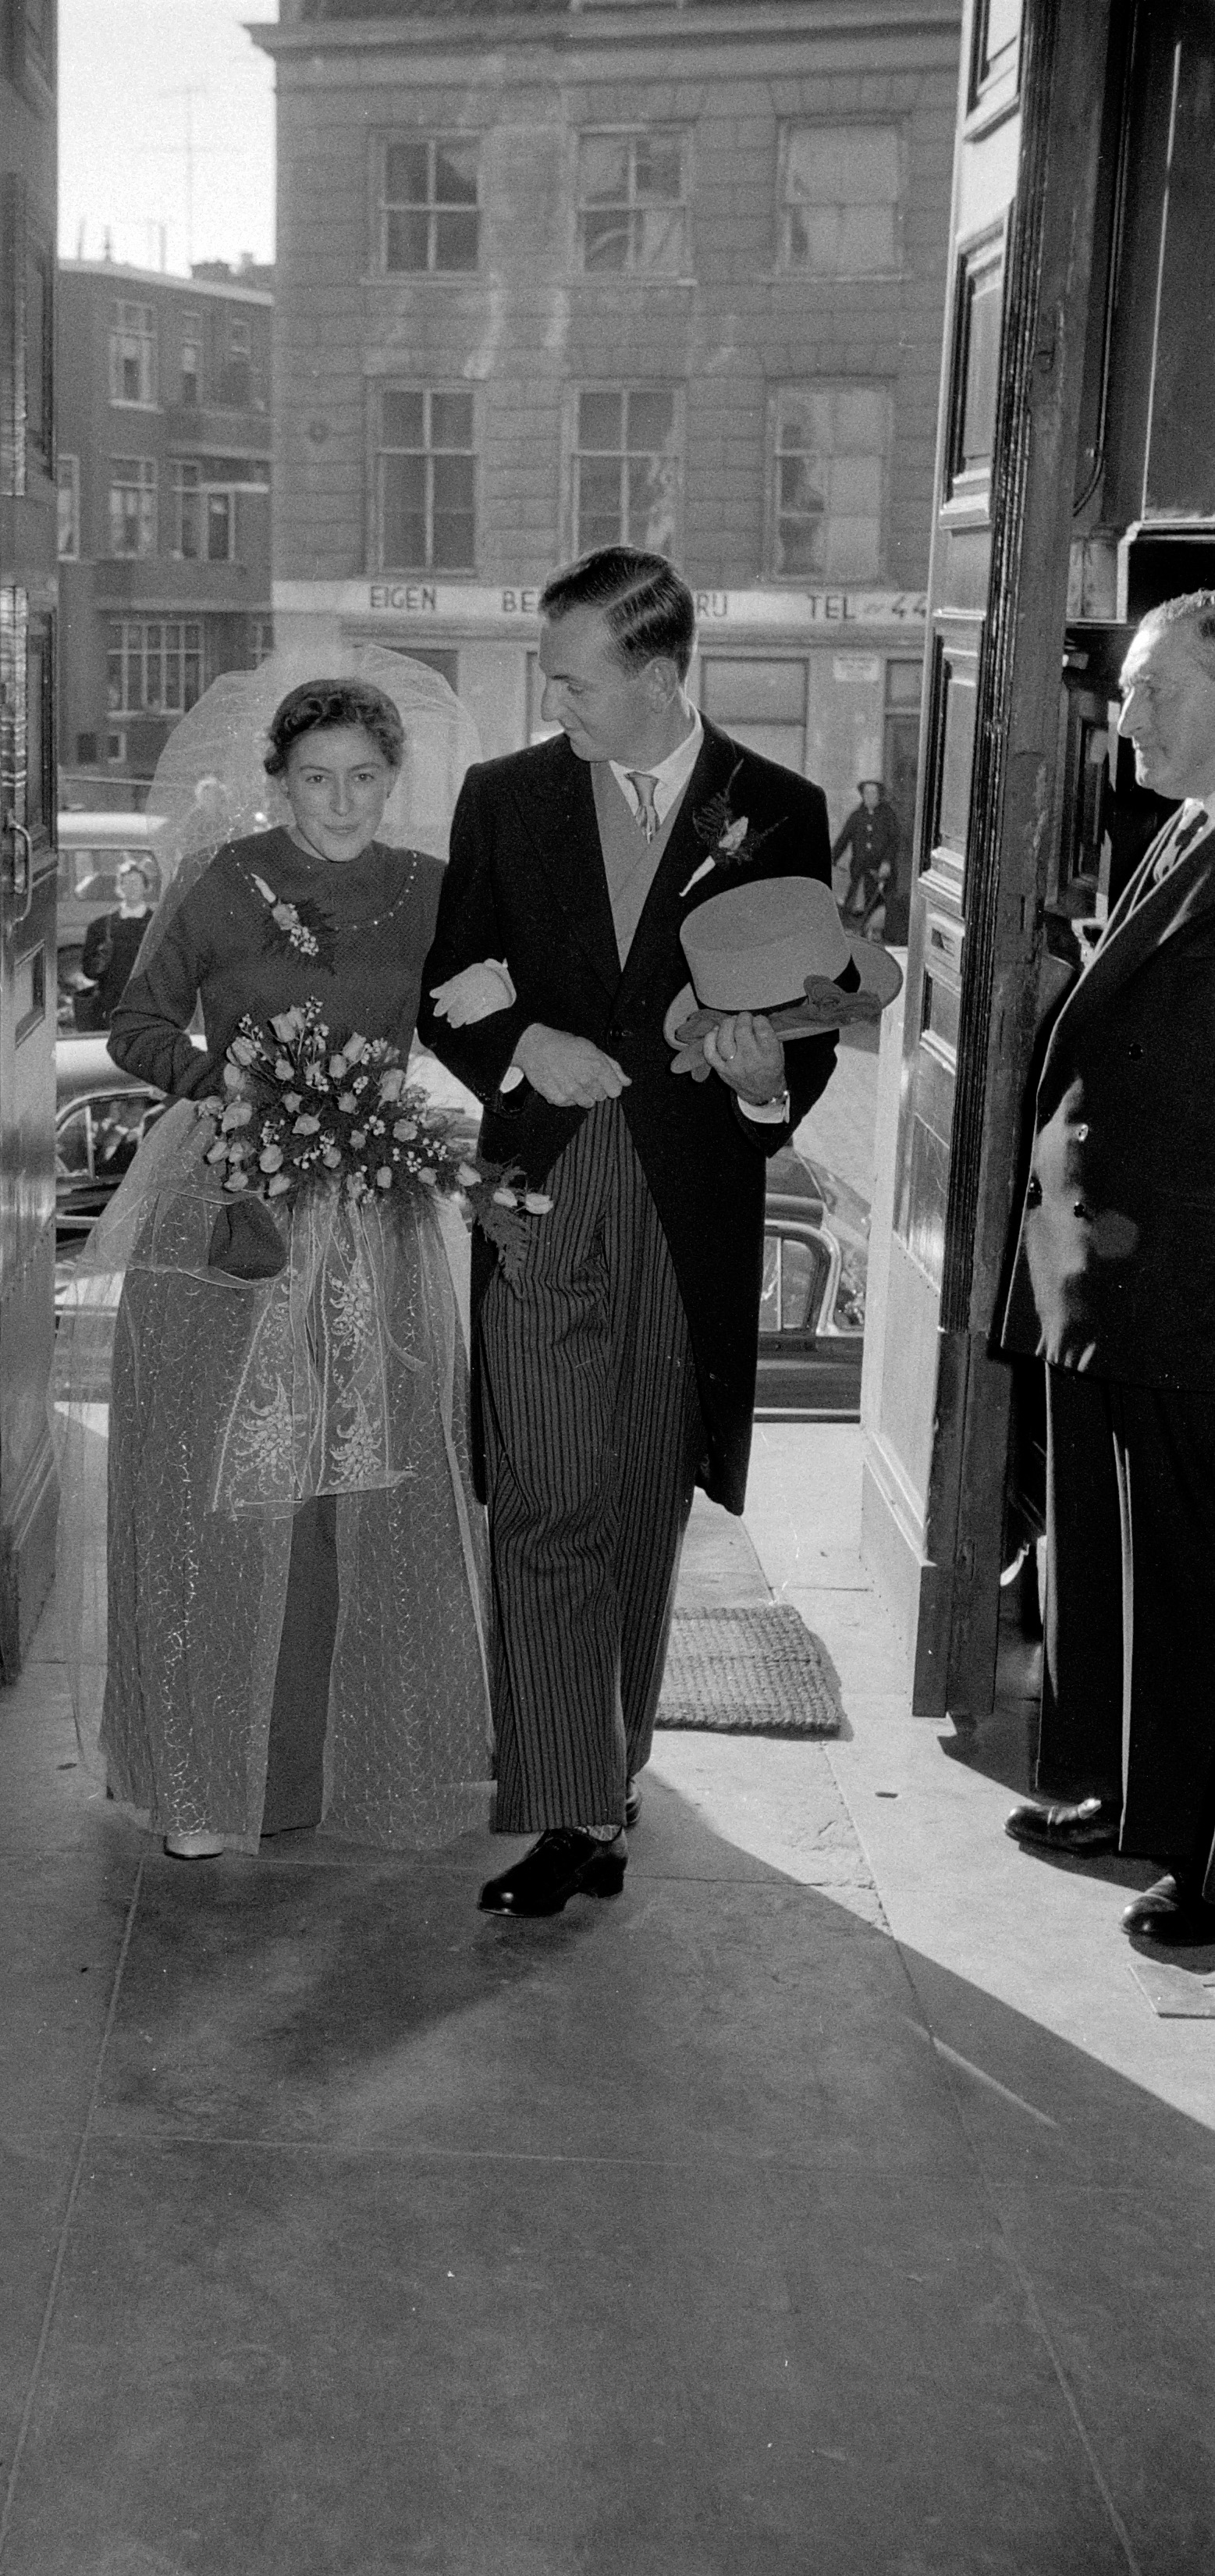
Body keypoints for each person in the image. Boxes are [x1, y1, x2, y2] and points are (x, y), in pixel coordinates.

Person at [416, 546, 843, 1918]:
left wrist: (762, 1080)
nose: (554, 705)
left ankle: (607, 1771)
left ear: (657, 676)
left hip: (684, 1200)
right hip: (539, 1186)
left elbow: (807, 1022)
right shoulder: (505, 796)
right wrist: (521, 1046)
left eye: (574, 682)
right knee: (543, 1491)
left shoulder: (777, 810)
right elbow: (450, 981)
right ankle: (570, 1810)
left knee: (643, 1498)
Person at [68, 669, 492, 1860]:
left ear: (393, 778)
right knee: (216, 1489)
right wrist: (229, 1088)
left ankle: (345, 1769)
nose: (341, 800)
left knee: (362, 1493)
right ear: (279, 780)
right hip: (229, 1212)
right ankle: (200, 1779)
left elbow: (471, 1023)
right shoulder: (228, 879)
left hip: (374, 1224)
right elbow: (137, 1024)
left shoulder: (428, 891)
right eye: (316, 778)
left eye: (363, 777)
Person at [999, 590, 1215, 1946]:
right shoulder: (1182, 824)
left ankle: (1203, 1858)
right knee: (1106, 1559)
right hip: (1100, 1279)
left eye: (1155, 688)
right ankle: (1124, 1788)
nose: (1123, 713)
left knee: (1190, 1580)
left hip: (1185, 1284)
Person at [73, 856, 158, 1030]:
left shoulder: (158, 925)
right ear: (120, 887)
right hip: (111, 1004)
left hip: (148, 1004)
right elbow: (89, 969)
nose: (132, 887)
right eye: (127, 883)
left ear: (146, 887)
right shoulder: (100, 926)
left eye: (136, 883)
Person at [832, 780, 900, 942]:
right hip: (861, 873)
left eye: (873, 793)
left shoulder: (887, 816)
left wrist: (887, 862)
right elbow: (843, 840)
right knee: (855, 909)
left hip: (881, 875)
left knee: (879, 908)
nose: (870, 796)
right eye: (867, 793)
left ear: (879, 795)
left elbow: (894, 841)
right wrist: (831, 859)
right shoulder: (857, 816)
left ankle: (877, 940)